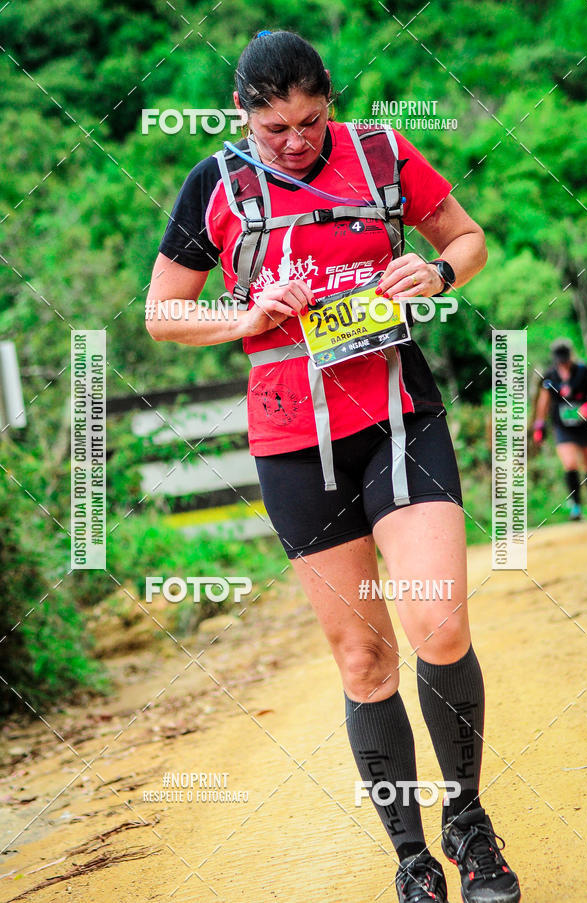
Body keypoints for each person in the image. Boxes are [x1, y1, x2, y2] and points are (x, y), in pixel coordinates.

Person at [146, 30, 521, 903]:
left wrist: (432, 270)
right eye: (275, 128)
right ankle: (413, 857)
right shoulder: (215, 185)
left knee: (439, 625)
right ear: (243, 115)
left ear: (328, 101)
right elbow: (163, 312)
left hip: (399, 417)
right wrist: (246, 313)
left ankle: (469, 823)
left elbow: (468, 240)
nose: (295, 141)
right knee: (363, 657)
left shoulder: (381, 153)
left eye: (310, 121)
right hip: (291, 441)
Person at [533, 338, 587, 520]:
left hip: (586, 425)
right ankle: (576, 507)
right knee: (570, 464)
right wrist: (539, 425)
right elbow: (543, 401)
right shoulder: (550, 376)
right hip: (563, 427)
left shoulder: (583, 371)